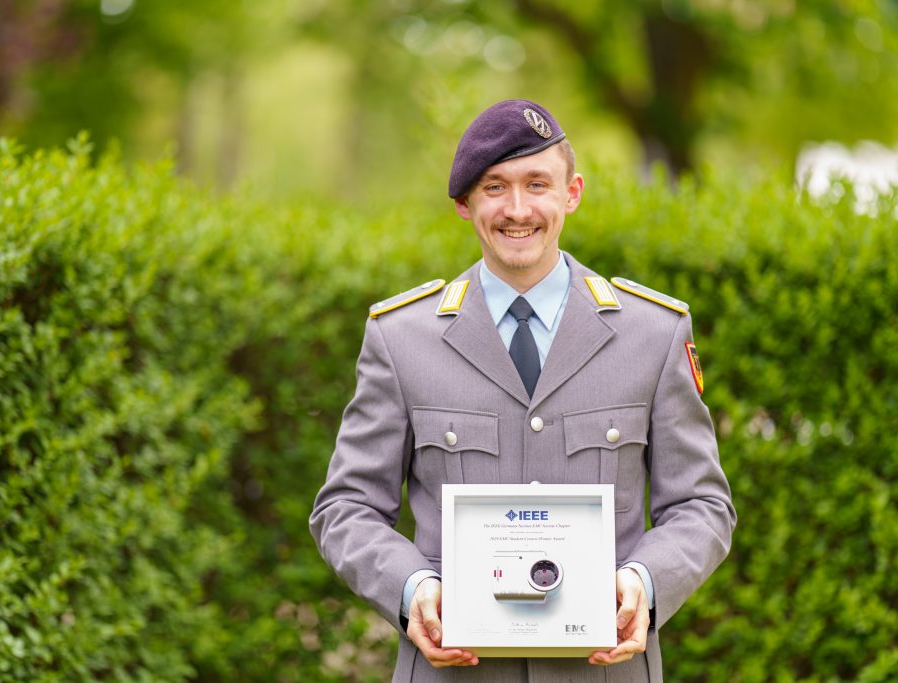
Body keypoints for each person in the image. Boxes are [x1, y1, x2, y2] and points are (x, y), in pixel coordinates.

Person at [310, 99, 736, 682]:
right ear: (464, 203)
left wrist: (645, 581)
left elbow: (702, 505)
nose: (517, 209)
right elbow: (346, 507)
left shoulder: (653, 333)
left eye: (538, 183)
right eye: (494, 187)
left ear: (572, 193)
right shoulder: (401, 337)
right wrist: (412, 589)